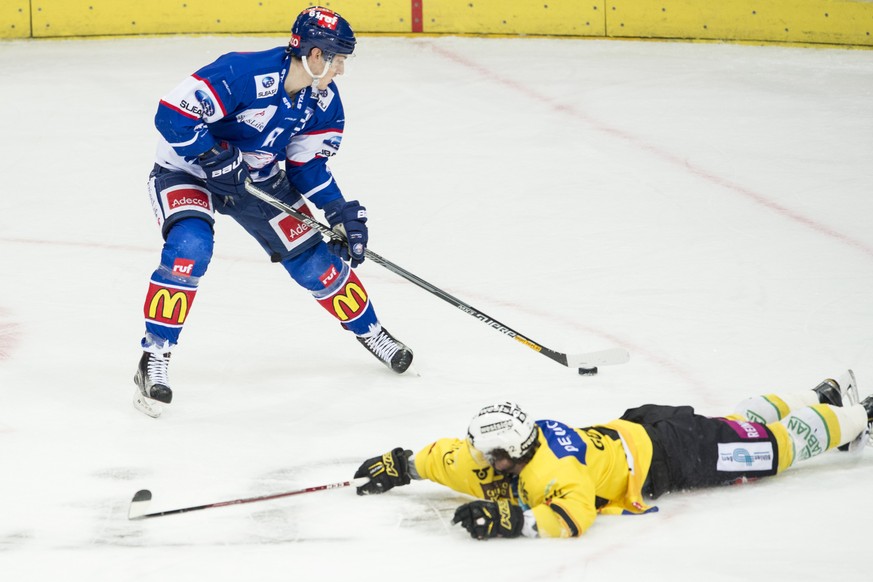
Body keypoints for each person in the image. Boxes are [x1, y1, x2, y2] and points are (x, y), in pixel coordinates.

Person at [133, 6, 413, 417]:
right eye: (338, 60)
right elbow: (172, 115)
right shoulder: (241, 73)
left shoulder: (324, 101)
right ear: (316, 56)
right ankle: (154, 357)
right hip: (187, 171)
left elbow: (308, 165)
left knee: (317, 263)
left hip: (255, 180)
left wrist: (336, 209)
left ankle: (371, 332)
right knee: (189, 247)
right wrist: (212, 156)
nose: (340, 71)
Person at [353, 371, 873, 539]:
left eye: (492, 458)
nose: (481, 464)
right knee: (739, 426)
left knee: (769, 450)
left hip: (673, 451)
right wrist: (399, 464)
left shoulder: (554, 470)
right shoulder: (485, 454)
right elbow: (442, 456)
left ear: (515, 452)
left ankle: (859, 417)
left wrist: (511, 521)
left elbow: (573, 515)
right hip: (640, 429)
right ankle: (823, 398)